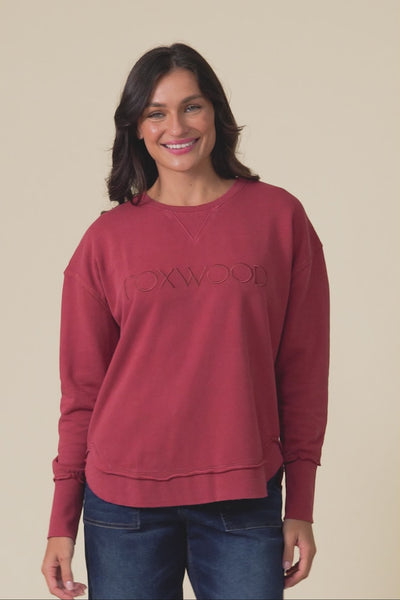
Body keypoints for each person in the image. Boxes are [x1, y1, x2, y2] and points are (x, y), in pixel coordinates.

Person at [41, 43, 329, 600]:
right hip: (122, 505)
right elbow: (81, 392)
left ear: (216, 112)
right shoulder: (106, 240)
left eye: (191, 107)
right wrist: (61, 520)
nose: (176, 127)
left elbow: (303, 371)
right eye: (156, 112)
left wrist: (302, 503)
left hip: (244, 494)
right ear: (137, 128)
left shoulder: (279, 218)